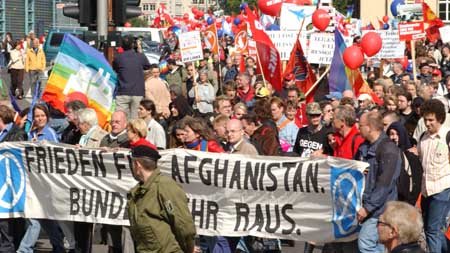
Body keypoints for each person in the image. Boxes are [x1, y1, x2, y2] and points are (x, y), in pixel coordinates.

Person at [128, 145, 196, 253]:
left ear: (137, 164)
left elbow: (183, 224)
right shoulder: (138, 191)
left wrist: (189, 248)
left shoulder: (165, 186)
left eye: (131, 163)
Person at [19, 104, 65, 253]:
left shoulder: (50, 133)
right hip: (34, 181)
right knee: (45, 219)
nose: (40, 119)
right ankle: (58, 246)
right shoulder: (31, 134)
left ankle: (24, 249)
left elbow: (58, 156)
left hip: (46, 183)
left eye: (42, 116)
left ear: (47, 117)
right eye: (37, 116)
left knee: (35, 218)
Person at [355, 111, 401, 253]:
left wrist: (367, 208)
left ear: (369, 127)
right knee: (380, 246)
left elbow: (384, 184)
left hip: (380, 210)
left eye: (361, 125)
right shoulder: (364, 147)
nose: (358, 128)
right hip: (366, 205)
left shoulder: (388, 150)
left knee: (366, 243)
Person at [416, 99, 450, 253]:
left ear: (440, 119)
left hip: (442, 189)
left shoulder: (447, 137)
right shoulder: (422, 138)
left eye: (431, 120)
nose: (428, 123)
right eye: (425, 120)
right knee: (433, 230)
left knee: (432, 230)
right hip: (426, 190)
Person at [113, 35, 151, 119]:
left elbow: (115, 69)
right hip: (137, 92)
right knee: (135, 121)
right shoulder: (140, 56)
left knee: (120, 118)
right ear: (133, 45)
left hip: (123, 92)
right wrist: (139, 48)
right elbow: (147, 66)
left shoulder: (118, 58)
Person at [386, 122, 422, 205]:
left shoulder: (411, 157)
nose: (394, 137)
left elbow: (417, 181)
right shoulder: (383, 155)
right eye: (391, 134)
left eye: (398, 134)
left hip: (406, 203)